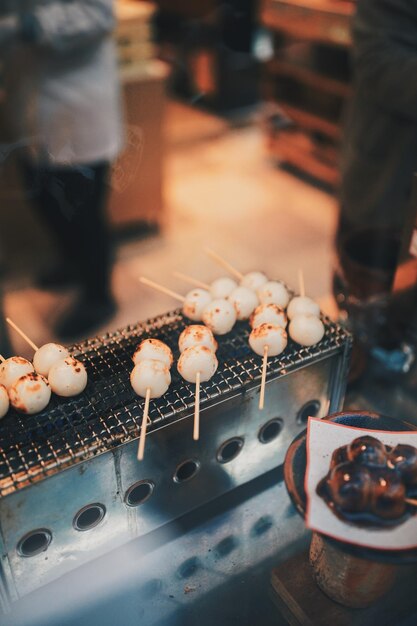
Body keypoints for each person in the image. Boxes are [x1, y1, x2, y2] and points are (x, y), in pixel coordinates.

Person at [0, 0, 123, 340]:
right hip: (32, 100)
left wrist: (26, 27)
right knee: (43, 196)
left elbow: (98, 13)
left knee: (82, 211)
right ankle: (71, 262)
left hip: (76, 100)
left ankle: (99, 296)